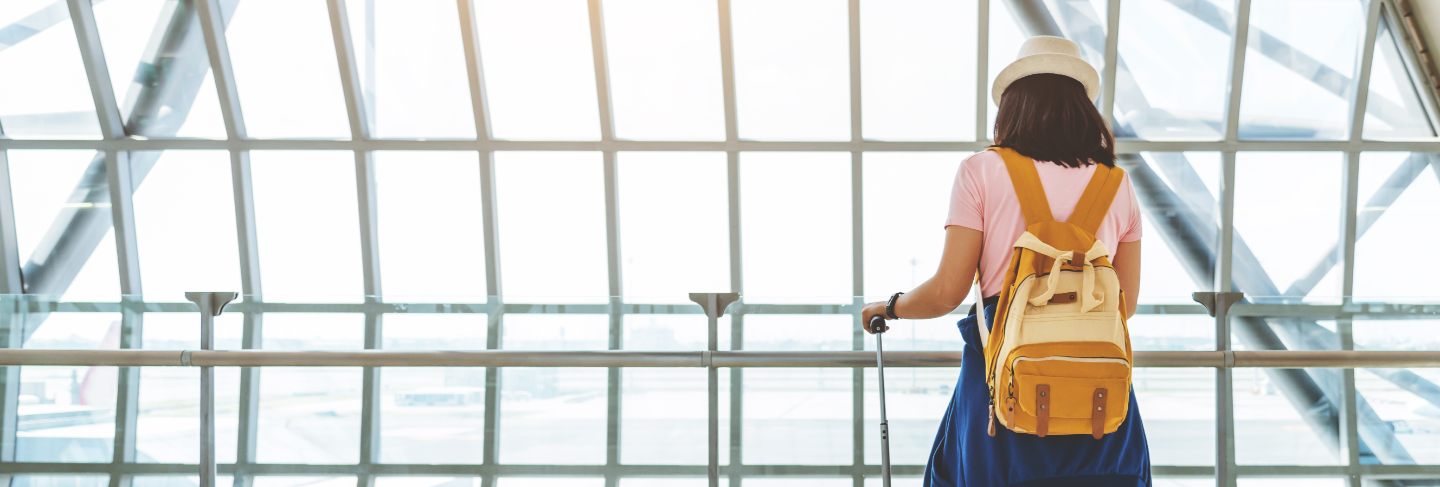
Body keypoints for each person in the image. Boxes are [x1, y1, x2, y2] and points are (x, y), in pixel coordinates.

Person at [860, 35, 1151, 486]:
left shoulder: (982, 171)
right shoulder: (1117, 184)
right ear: (1081, 109)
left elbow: (946, 291)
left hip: (1003, 391)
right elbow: (1124, 305)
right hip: (1098, 396)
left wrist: (891, 307)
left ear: (1013, 107)